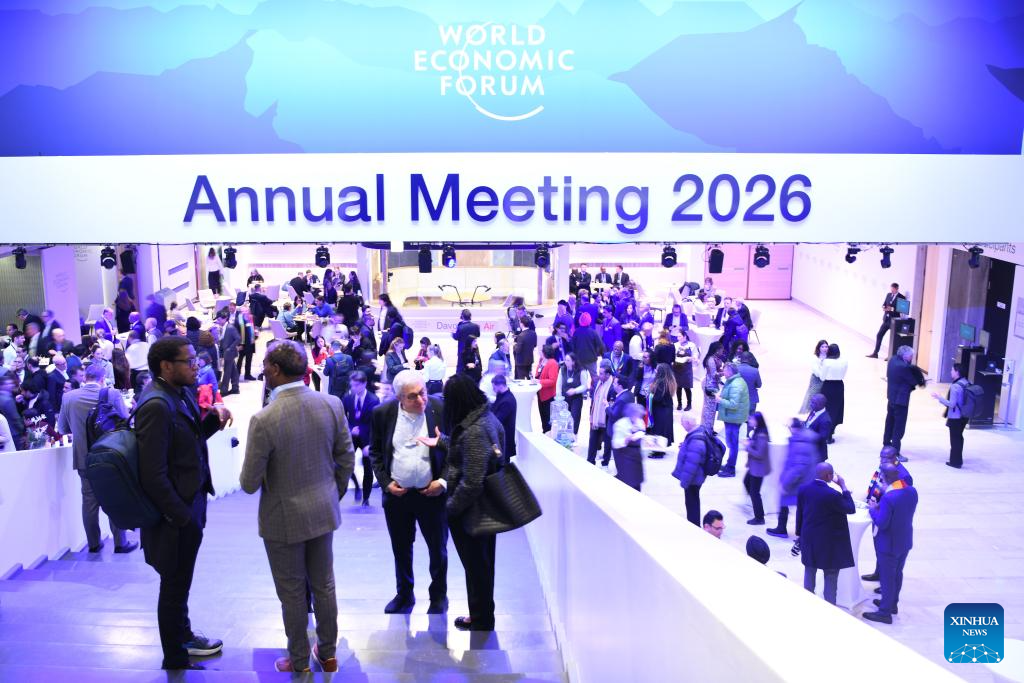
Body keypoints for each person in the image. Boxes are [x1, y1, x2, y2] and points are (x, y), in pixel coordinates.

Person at [240, 341, 354, 673]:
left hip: (283, 520)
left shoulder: (264, 418)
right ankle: (328, 654)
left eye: (265, 365)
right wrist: (332, 493)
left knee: (291, 592)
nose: (263, 370)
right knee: (325, 585)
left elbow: (248, 483)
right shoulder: (331, 404)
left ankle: (300, 660)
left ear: (275, 370)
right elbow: (346, 457)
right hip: (323, 512)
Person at [136, 336, 232, 670]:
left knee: (181, 581)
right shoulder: (156, 404)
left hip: (190, 504)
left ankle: (184, 637)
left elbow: (188, 442)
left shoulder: (179, 393)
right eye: (188, 361)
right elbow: (153, 473)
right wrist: (180, 516)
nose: (196, 366)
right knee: (174, 585)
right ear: (166, 366)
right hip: (176, 514)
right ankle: (175, 657)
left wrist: (213, 420)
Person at [369, 370, 449, 615]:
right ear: (399, 398)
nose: (421, 400)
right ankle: (404, 595)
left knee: (438, 549)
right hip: (398, 497)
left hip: (432, 495)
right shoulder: (383, 414)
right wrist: (386, 483)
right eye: (412, 396)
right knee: (401, 548)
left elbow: (454, 448)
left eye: (422, 393)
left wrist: (443, 482)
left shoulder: (440, 408)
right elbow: (376, 453)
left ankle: (438, 596)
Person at [53, 363, 133, 551]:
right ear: (103, 378)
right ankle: (120, 543)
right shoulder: (112, 394)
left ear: (84, 377)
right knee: (114, 499)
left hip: (83, 457)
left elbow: (62, 429)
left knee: (89, 502)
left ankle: (94, 544)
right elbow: (126, 420)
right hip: (110, 456)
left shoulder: (69, 397)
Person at [862, 463, 918, 624]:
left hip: (888, 544)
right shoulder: (912, 491)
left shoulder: (889, 497)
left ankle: (884, 613)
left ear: (885, 477)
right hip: (904, 540)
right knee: (897, 574)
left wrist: (873, 509)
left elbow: (882, 522)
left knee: (887, 578)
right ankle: (892, 604)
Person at [796, 463, 855, 605]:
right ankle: (829, 607)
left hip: (809, 539)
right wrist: (843, 487)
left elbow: (800, 513)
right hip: (829, 545)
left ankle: (807, 603)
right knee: (831, 575)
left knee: (809, 570)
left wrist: (800, 535)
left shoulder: (803, 489)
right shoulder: (832, 494)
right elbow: (850, 508)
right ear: (829, 476)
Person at [767, 419, 818, 539]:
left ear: (795, 428)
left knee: (788, 503)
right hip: (803, 481)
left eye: (790, 427)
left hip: (798, 483)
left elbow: (798, 468)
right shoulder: (804, 439)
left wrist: (785, 483)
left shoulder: (800, 443)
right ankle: (796, 532)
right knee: (799, 507)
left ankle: (784, 529)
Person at [342, 370, 379, 505]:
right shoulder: (348, 397)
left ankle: (366, 498)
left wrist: (363, 433)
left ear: (364, 384)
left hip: (367, 438)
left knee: (368, 468)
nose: (354, 388)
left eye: (356, 385)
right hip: (352, 436)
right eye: (352, 385)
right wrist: (350, 429)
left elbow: (375, 423)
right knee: (345, 464)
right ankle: (357, 487)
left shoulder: (373, 400)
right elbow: (342, 416)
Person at [883, 345, 926, 461]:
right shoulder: (904, 367)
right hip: (900, 401)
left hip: (891, 397)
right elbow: (913, 381)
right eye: (911, 356)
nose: (912, 358)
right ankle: (895, 453)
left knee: (889, 422)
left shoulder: (892, 360)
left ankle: (886, 444)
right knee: (899, 427)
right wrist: (921, 380)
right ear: (905, 356)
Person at [673, 414, 712, 526]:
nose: (681, 424)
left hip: (693, 479)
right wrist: (685, 446)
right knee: (692, 501)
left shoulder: (696, 441)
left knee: (692, 503)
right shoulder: (697, 433)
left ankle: (694, 526)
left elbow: (692, 465)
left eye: (682, 422)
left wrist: (685, 482)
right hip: (695, 477)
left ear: (688, 423)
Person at [931, 364, 969, 468]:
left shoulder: (955, 386)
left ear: (957, 372)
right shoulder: (966, 382)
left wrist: (939, 398)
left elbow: (952, 404)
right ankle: (958, 459)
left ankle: (955, 462)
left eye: (952, 370)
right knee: (959, 437)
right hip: (964, 416)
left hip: (955, 417)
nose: (951, 372)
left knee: (955, 440)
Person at [716, 362, 750, 477]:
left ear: (730, 372)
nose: (723, 372)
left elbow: (733, 404)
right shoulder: (733, 381)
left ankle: (731, 469)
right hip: (732, 417)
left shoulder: (736, 384)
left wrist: (719, 400)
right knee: (731, 443)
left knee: (732, 444)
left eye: (725, 370)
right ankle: (729, 464)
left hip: (733, 419)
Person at [610, 403, 646, 491]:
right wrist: (626, 439)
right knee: (627, 481)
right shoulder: (620, 424)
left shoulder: (640, 422)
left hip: (636, 456)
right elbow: (615, 443)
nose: (638, 417)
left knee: (637, 481)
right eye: (636, 415)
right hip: (624, 455)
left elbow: (642, 435)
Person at [743, 412, 771, 525]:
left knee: (755, 492)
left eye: (752, 419)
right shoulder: (757, 432)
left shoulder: (762, 435)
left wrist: (748, 446)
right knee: (747, 483)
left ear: (757, 421)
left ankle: (759, 517)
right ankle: (754, 504)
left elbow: (760, 454)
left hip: (758, 469)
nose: (749, 421)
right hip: (754, 467)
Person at [816, 344, 847, 443]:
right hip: (839, 386)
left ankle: (826, 434)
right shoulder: (844, 361)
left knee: (826, 410)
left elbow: (822, 377)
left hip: (827, 386)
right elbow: (843, 374)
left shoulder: (827, 362)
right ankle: (830, 433)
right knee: (835, 410)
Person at [587, 361, 615, 465]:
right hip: (595, 417)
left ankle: (605, 464)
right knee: (592, 441)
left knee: (607, 444)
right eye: (599, 373)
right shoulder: (597, 383)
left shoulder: (612, 387)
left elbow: (612, 405)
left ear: (608, 375)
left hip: (606, 419)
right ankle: (590, 461)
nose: (599, 375)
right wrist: (591, 416)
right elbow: (593, 401)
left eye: (601, 373)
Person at [868, 283, 906, 358]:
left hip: (894, 321)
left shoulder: (901, 297)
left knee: (893, 339)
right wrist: (883, 307)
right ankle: (875, 353)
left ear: (897, 289)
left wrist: (891, 309)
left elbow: (902, 310)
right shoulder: (888, 295)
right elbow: (884, 304)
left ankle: (891, 356)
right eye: (891, 289)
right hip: (886, 320)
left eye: (893, 290)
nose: (891, 291)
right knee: (879, 335)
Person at [555, 352, 589, 436]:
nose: (565, 362)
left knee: (574, 418)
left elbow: (585, 386)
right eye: (565, 360)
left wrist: (575, 390)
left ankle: (573, 436)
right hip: (564, 398)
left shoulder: (581, 370)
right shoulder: (562, 369)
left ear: (573, 362)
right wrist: (558, 396)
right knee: (563, 418)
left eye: (568, 360)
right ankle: (563, 436)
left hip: (576, 399)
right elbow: (558, 384)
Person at [647, 363, 677, 447]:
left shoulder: (661, 383)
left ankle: (658, 449)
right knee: (664, 430)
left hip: (660, 410)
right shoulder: (669, 381)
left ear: (660, 372)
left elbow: (657, 398)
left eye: (657, 370)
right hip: (667, 409)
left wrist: (649, 395)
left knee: (659, 431)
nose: (655, 371)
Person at [571, 312, 604, 385]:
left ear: (580, 320)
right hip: (591, 359)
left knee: (581, 378)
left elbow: (573, 346)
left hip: (579, 359)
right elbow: (600, 345)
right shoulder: (593, 332)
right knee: (594, 377)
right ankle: (596, 390)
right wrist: (599, 354)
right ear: (589, 320)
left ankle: (583, 391)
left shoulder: (576, 332)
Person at [490, 374, 517, 462]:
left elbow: (497, 420)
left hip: (504, 440)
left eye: (494, 387)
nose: (493, 389)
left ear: (500, 386)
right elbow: (494, 407)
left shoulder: (507, 401)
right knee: (497, 456)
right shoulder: (501, 395)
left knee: (501, 459)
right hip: (498, 437)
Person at [535, 345, 560, 433]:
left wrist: (539, 381)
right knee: (542, 415)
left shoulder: (553, 363)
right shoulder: (541, 361)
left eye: (541, 351)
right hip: (540, 393)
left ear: (545, 353)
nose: (540, 352)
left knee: (547, 417)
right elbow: (538, 374)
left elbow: (553, 381)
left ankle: (548, 433)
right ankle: (544, 432)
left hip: (548, 395)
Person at [701, 341, 725, 431]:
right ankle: (706, 429)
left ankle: (709, 427)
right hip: (710, 385)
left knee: (712, 408)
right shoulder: (711, 359)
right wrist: (725, 373)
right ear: (717, 350)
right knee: (709, 408)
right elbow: (714, 374)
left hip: (713, 384)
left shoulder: (715, 358)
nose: (722, 351)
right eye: (721, 350)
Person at [215, 310, 241, 396]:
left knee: (227, 371)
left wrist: (230, 348)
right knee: (233, 371)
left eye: (219, 319)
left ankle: (224, 390)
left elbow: (238, 339)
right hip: (227, 353)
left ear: (225, 318)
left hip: (230, 353)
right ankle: (235, 388)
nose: (218, 321)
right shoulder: (224, 327)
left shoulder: (230, 328)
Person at [673, 329, 698, 411]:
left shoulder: (691, 345)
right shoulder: (675, 345)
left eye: (680, 336)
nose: (678, 338)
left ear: (685, 336)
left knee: (687, 387)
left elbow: (695, 355)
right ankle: (679, 404)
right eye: (677, 337)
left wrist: (691, 358)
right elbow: (673, 355)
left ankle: (689, 404)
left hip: (687, 369)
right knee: (678, 387)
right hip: (677, 368)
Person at [801, 340, 829, 413]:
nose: (825, 348)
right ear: (819, 348)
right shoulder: (815, 357)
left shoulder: (829, 357)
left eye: (826, 347)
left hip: (826, 379)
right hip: (816, 379)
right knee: (813, 395)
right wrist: (822, 375)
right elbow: (816, 371)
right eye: (822, 347)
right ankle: (809, 411)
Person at [804, 393, 833, 462]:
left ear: (821, 405)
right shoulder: (814, 410)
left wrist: (806, 434)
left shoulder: (825, 420)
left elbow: (821, 438)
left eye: (813, 403)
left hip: (817, 454)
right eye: (811, 401)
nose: (810, 404)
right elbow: (809, 424)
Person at [735, 351, 762, 416]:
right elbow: (759, 385)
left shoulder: (735, 369)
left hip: (738, 400)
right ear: (750, 359)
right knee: (750, 420)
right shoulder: (755, 370)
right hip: (751, 400)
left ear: (741, 358)